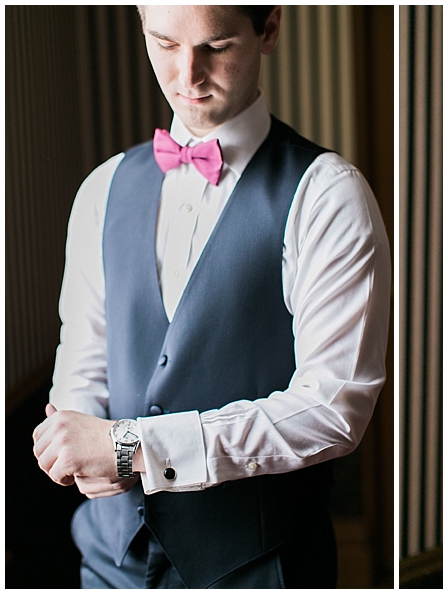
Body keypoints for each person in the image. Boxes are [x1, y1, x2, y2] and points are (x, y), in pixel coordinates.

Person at [30, 5, 391, 588]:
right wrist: (77, 435)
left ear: (269, 29)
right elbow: (85, 356)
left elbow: (332, 408)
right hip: (109, 560)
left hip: (256, 566)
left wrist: (132, 448)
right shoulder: (101, 189)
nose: (187, 76)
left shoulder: (329, 196)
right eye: (165, 44)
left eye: (216, 47)